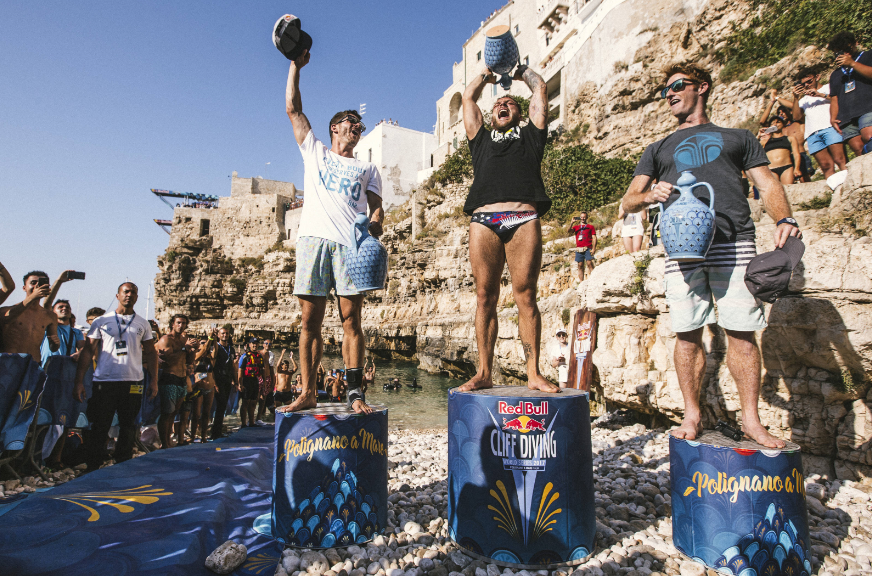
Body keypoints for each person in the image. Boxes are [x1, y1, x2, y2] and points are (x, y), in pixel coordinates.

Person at [621, 62, 801, 448]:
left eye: (677, 86)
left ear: (701, 87)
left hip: (733, 242)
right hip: (681, 248)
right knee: (687, 334)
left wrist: (784, 217)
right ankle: (692, 415)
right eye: (666, 90)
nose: (669, 94)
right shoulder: (657, 148)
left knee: (742, 332)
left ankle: (751, 421)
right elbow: (629, 200)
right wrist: (649, 195)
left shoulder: (738, 137)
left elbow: (767, 182)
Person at [280, 48, 382, 415]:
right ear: (334, 127)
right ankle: (308, 391)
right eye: (351, 122)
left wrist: (373, 229)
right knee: (310, 321)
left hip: (349, 246)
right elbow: (293, 109)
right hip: (313, 241)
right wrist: (295, 67)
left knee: (352, 320)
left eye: (360, 126)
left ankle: (355, 394)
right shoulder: (316, 151)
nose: (357, 127)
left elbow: (377, 209)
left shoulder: (368, 168)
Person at [456, 63, 560, 394]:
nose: (503, 105)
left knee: (525, 295)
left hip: (522, 218)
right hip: (484, 220)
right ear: (490, 116)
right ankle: (484, 372)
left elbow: (539, 88)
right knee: (484, 296)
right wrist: (486, 74)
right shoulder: (481, 138)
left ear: (520, 112)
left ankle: (533, 373)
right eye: (498, 104)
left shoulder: (531, 134)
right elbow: (468, 98)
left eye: (510, 103)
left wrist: (518, 70)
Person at [74, 282, 157, 471]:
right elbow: (88, 350)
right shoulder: (102, 321)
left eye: (133, 292)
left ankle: (123, 463)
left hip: (133, 381)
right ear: (117, 295)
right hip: (105, 381)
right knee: (100, 425)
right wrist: (79, 381)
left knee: (128, 426)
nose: (129, 295)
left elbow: (151, 352)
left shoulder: (142, 323)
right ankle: (94, 464)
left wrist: (154, 380)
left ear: (137, 297)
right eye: (125, 291)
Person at [792, 66, 847, 179]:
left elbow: (840, 100)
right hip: (812, 133)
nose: (807, 85)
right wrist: (796, 98)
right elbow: (796, 117)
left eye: (809, 81)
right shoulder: (803, 99)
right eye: (803, 84)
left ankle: (851, 184)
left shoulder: (828, 87)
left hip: (830, 127)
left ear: (817, 77)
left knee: (840, 159)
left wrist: (820, 95)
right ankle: (833, 187)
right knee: (825, 166)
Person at [154, 314, 197, 448]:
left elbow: (188, 360)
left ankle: (168, 440)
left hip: (182, 379)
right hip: (169, 377)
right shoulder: (166, 339)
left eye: (183, 323)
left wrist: (193, 350)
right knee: (167, 412)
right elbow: (166, 360)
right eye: (178, 322)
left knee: (174, 413)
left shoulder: (184, 340)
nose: (181, 325)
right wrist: (184, 348)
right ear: (172, 324)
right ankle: (164, 443)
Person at [828, 32, 872, 156]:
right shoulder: (835, 74)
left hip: (868, 108)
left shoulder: (868, 56)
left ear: (854, 44)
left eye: (846, 49)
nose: (844, 54)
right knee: (858, 150)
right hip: (846, 116)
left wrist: (852, 63)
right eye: (838, 52)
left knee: (869, 138)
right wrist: (833, 118)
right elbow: (834, 98)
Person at [0, 271, 59, 359]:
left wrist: (55, 344)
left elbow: (53, 348)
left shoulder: (50, 316)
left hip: (34, 363)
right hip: (10, 362)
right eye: (33, 283)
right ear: (24, 288)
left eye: (42, 283)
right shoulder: (5, 310)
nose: (37, 286)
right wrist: (33, 296)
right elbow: (8, 318)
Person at [756, 116, 803, 185]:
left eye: (778, 122)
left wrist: (797, 168)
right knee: (775, 190)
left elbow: (796, 154)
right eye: (772, 123)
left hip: (787, 168)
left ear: (783, 124)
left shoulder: (790, 138)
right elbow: (753, 149)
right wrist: (758, 136)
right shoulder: (764, 141)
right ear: (770, 127)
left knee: (788, 189)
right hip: (771, 169)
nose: (775, 124)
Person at [210, 326, 237, 439]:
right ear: (218, 335)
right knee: (218, 405)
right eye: (222, 333)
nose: (225, 335)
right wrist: (214, 383)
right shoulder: (216, 347)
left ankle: (218, 430)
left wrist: (235, 381)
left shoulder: (231, 349)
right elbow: (211, 366)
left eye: (226, 333)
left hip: (227, 379)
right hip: (218, 379)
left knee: (223, 405)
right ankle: (214, 432)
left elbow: (233, 366)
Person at [40, 299, 84, 365]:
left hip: (66, 367)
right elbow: (46, 305)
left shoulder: (76, 332)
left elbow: (82, 347)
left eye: (67, 307)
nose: (65, 308)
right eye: (60, 307)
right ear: (53, 311)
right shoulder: (47, 327)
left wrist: (79, 353)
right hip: (47, 366)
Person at [191, 333, 217, 443]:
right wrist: (209, 339)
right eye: (202, 343)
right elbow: (204, 349)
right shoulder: (196, 357)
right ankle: (192, 436)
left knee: (206, 413)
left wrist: (214, 339)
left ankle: (203, 436)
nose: (204, 344)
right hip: (199, 388)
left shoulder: (210, 358)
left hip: (209, 388)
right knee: (196, 414)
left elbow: (215, 351)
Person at [237, 337, 266, 426]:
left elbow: (262, 369)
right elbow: (240, 370)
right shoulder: (245, 356)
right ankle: (243, 423)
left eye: (256, 344)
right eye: (253, 344)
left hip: (255, 380)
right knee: (245, 402)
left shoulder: (259, 356)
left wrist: (264, 382)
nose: (255, 345)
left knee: (253, 402)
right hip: (246, 380)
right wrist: (240, 383)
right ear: (249, 345)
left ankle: (252, 422)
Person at [567, 212, 597, 282]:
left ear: (587, 218)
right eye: (581, 217)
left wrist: (594, 248)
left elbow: (594, 237)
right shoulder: (576, 227)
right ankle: (581, 282)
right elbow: (569, 231)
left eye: (584, 217)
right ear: (580, 218)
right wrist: (571, 223)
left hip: (588, 248)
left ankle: (594, 280)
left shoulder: (590, 227)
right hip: (579, 249)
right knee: (580, 265)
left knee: (589, 263)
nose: (583, 218)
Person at [256, 338, 276, 424]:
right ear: (263, 344)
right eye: (266, 343)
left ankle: (259, 418)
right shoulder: (258, 353)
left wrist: (273, 383)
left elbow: (271, 369)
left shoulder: (271, 355)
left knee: (263, 399)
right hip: (258, 377)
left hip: (267, 378)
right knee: (255, 398)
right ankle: (252, 418)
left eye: (270, 344)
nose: (268, 345)